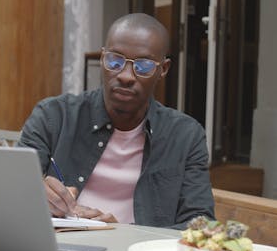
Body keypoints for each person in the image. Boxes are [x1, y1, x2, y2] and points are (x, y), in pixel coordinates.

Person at [17, 13, 215, 229]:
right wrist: (37, 195)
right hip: (62, 247)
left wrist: (123, 234)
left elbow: (200, 223)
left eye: (143, 66)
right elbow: (9, 192)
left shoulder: (185, 136)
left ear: (163, 69)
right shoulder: (54, 116)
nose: (126, 76)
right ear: (102, 59)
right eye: (115, 60)